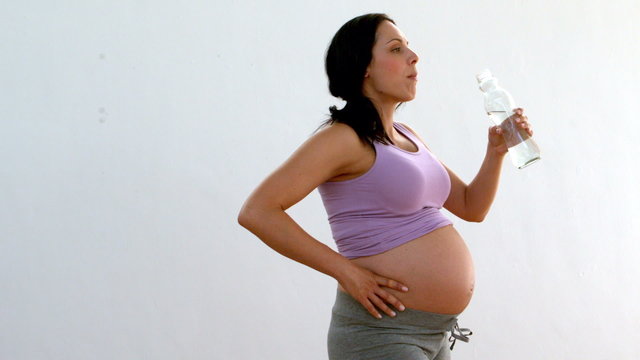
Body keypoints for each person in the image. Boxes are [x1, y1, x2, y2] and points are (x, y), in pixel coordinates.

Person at [237, 13, 533, 360]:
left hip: (434, 333)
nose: (413, 56)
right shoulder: (342, 138)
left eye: (408, 46)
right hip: (380, 334)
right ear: (364, 67)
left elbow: (471, 207)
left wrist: (496, 152)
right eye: (396, 49)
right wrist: (346, 271)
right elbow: (257, 212)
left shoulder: (408, 136)